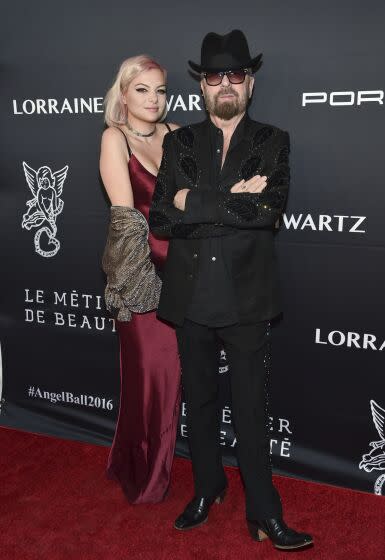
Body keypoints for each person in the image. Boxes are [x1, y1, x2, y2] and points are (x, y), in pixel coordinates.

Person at [149, 31, 313, 549]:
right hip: (191, 295)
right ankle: (207, 487)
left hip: (246, 298)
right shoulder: (177, 143)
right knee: (197, 402)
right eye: (214, 76)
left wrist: (191, 198)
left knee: (250, 409)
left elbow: (267, 212)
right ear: (201, 85)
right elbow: (160, 218)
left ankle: (264, 511)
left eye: (235, 75)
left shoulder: (273, 141)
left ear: (250, 82)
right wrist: (230, 199)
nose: (225, 84)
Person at [100, 55, 180, 503]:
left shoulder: (174, 135)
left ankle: (136, 460)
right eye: (143, 89)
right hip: (141, 279)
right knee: (151, 374)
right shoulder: (115, 139)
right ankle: (146, 475)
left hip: (184, 274)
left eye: (161, 90)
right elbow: (128, 222)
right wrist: (145, 289)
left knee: (173, 378)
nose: (153, 99)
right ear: (124, 94)